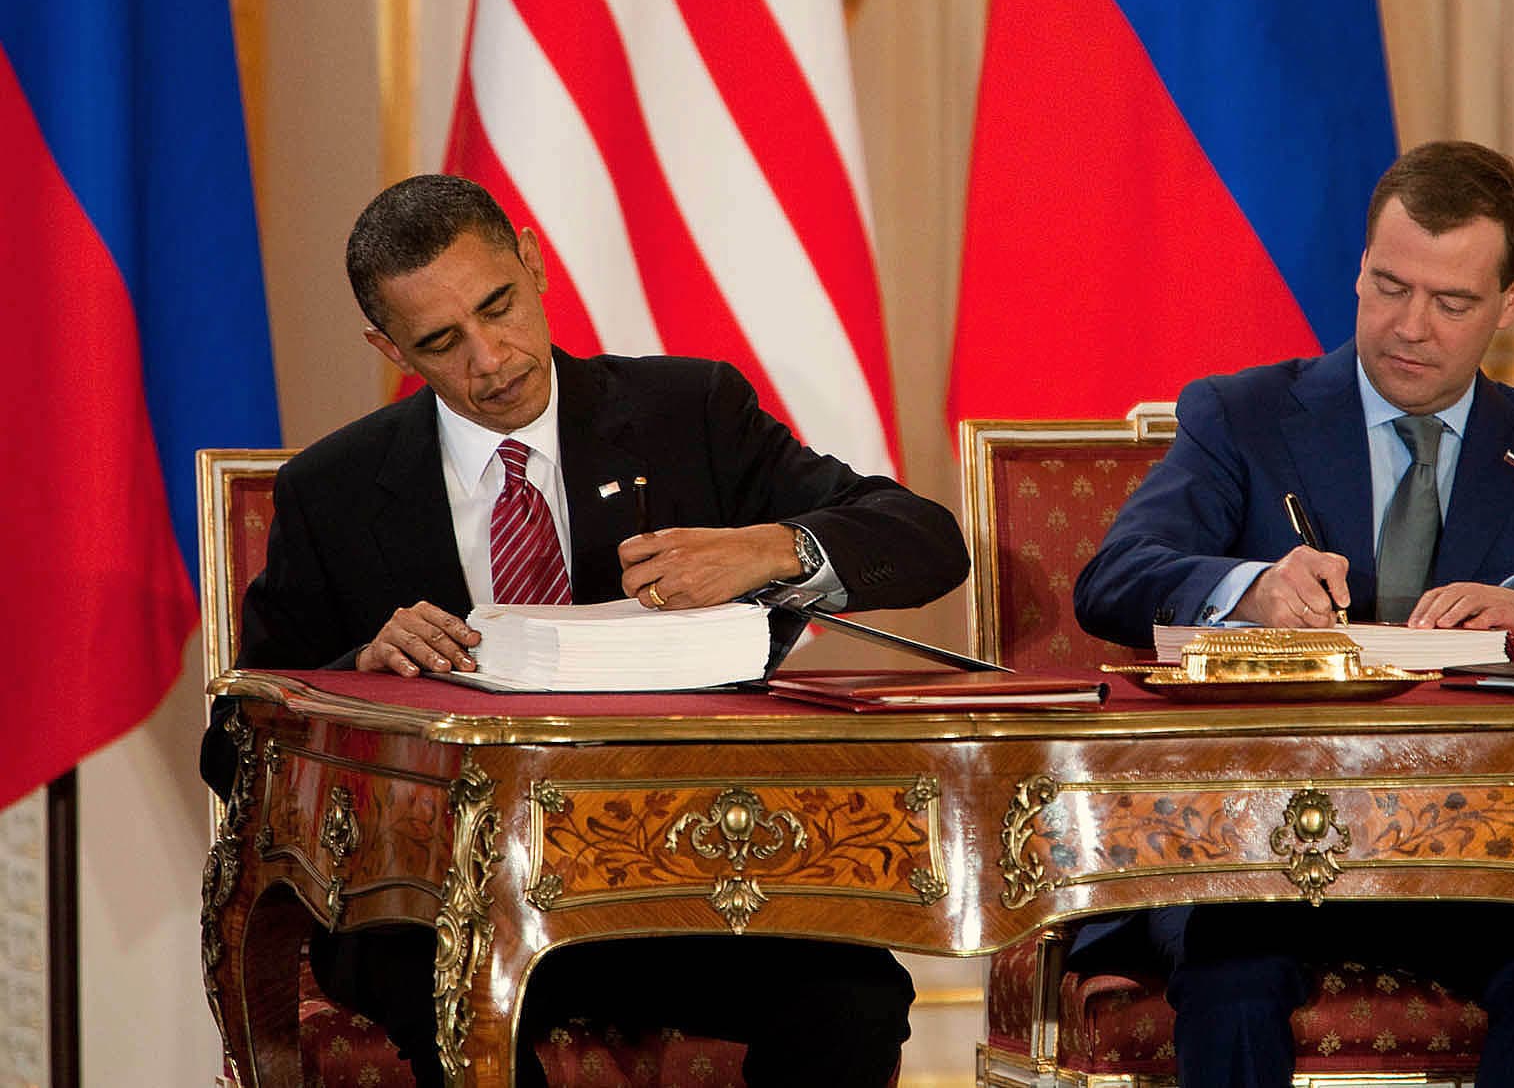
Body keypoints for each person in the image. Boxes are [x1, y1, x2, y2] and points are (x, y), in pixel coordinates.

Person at [200, 174, 970, 1088]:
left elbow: (927, 541)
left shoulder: (693, 415)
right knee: (451, 989)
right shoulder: (332, 490)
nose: (490, 360)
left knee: (852, 990)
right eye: (442, 342)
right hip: (437, 902)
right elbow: (234, 745)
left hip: (675, 879)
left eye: (500, 306)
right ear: (388, 345)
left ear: (533, 261)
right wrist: (355, 676)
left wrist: (771, 549)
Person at [1071, 140, 1514, 1088]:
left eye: (1451, 302)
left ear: (1508, 303)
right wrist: (1250, 586)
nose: (1410, 326)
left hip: (1468, 849)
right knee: (1232, 973)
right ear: (1359, 268)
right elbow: (1114, 577)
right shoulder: (1243, 417)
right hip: (1253, 844)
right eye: (1389, 286)